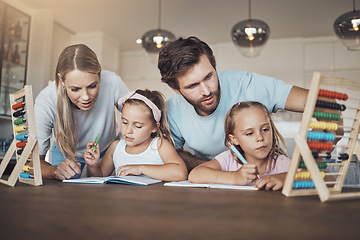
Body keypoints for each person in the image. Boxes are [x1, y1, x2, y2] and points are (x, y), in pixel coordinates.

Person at [157, 36, 309, 172]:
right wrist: (220, 170)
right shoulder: (172, 109)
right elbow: (173, 153)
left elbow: (313, 101)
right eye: (193, 86)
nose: (206, 91)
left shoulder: (246, 84)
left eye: (209, 76)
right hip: (212, 181)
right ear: (175, 89)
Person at [34, 44, 129, 180]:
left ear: (99, 73)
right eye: (75, 89)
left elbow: (137, 116)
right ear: (61, 80)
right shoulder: (46, 101)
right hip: (66, 156)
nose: (86, 97)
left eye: (92, 86)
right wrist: (54, 171)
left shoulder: (112, 81)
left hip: (108, 152)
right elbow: (33, 162)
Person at [83, 89, 188, 182]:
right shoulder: (116, 147)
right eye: (124, 122)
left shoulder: (159, 145)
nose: (128, 130)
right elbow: (98, 177)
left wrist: (140, 168)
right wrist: (92, 166)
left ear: (154, 127)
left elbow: (180, 173)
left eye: (137, 126)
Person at [188, 101, 290, 191]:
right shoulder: (228, 159)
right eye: (249, 133)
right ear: (234, 139)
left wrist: (284, 178)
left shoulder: (280, 162)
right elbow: (195, 174)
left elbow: (305, 174)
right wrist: (235, 177)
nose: (260, 138)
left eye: (265, 129)